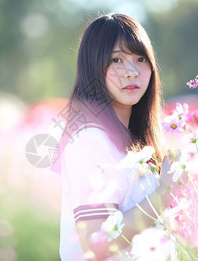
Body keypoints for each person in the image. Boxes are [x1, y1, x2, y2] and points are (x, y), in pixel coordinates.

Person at [51, 13, 175, 260]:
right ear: (94, 68)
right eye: (116, 60)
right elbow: (97, 242)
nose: (131, 72)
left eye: (140, 58)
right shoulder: (90, 142)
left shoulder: (133, 142)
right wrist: (165, 192)